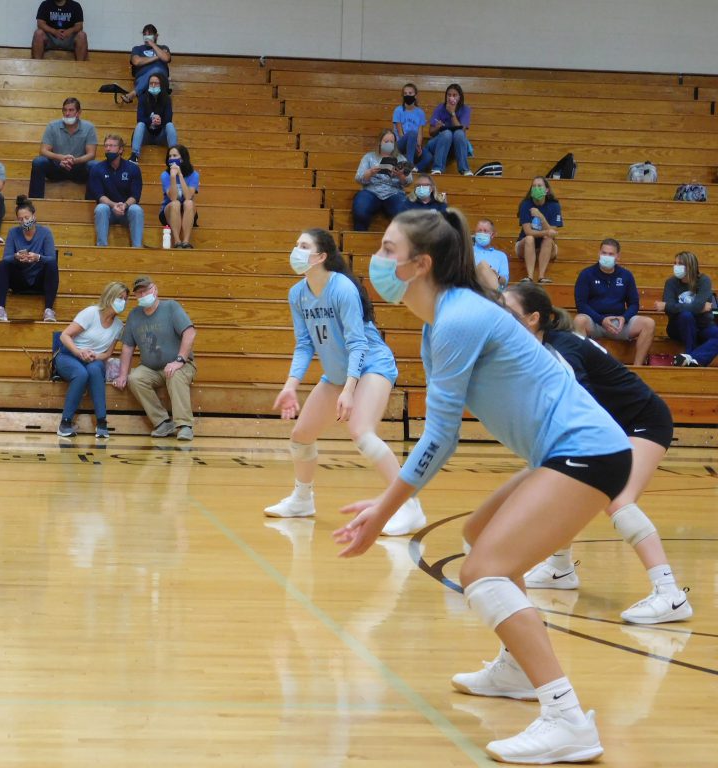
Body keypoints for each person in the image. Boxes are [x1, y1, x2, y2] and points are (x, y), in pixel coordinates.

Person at [335, 207, 632, 764]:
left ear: (420, 265)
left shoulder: (459, 319)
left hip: (587, 451)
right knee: (478, 536)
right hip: (566, 452)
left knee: (482, 570)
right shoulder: (441, 323)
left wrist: (383, 511)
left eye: (387, 250)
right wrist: (385, 502)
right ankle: (518, 670)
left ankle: (567, 719)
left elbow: (440, 438)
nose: (377, 259)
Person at [504, 282, 692, 625]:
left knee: (618, 499)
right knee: (568, 489)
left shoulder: (559, 349)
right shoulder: (542, 347)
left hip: (643, 422)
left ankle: (670, 595)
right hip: (613, 426)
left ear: (532, 319)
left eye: (508, 311)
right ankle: (560, 569)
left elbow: (583, 403)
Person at [264, 229, 426, 536]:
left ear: (321, 256)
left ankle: (410, 506)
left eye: (303, 246)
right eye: (295, 244)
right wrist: (290, 385)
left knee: (360, 432)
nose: (296, 250)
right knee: (301, 436)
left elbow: (357, 344)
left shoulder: (342, 288)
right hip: (339, 373)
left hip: (371, 365)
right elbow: (303, 344)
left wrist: (349, 391)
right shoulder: (297, 293)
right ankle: (302, 500)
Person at [113, 275, 196, 440]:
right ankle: (162, 423)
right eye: (139, 293)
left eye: (146, 291)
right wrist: (123, 375)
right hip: (151, 368)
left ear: (155, 290)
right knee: (134, 378)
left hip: (180, 365)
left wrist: (179, 360)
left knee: (175, 374)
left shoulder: (171, 307)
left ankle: (185, 425)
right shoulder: (134, 315)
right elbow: (128, 346)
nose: (143, 295)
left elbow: (190, 332)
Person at [56, 281, 129, 440]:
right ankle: (65, 423)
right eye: (119, 297)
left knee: (95, 369)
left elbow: (107, 354)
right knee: (81, 374)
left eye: (125, 299)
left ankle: (102, 422)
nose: (122, 302)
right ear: (110, 297)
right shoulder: (91, 313)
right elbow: (64, 336)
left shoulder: (118, 326)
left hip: (93, 359)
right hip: (69, 355)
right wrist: (79, 352)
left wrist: (95, 356)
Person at [573, 238, 655, 366]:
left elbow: (634, 304)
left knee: (649, 323)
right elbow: (581, 304)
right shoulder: (586, 274)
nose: (606, 256)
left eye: (611, 254)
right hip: (595, 322)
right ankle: (583, 367)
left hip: (619, 324)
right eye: (604, 253)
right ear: (599, 253)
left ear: (618, 256)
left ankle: (638, 368)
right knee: (579, 320)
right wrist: (601, 320)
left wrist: (624, 318)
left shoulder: (626, 275)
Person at [0, 196, 59, 322]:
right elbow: (6, 258)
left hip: (39, 280)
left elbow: (51, 259)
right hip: (20, 279)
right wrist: (16, 257)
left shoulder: (45, 233)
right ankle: (0, 308)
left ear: (34, 216)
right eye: (20, 219)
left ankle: (49, 310)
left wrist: (37, 257)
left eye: (27, 218)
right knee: (3, 264)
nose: (24, 221)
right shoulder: (13, 232)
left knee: (52, 265)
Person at [653, 250, 718, 367]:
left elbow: (668, 306)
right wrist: (698, 309)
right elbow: (670, 312)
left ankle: (691, 359)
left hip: (703, 326)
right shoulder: (671, 282)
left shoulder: (704, 280)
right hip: (679, 326)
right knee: (686, 316)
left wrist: (668, 305)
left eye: (680, 264)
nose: (676, 267)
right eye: (675, 263)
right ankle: (690, 353)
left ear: (690, 266)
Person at [29, 98, 98, 199]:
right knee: (38, 162)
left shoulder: (89, 127)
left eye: (71, 110)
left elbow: (91, 154)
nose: (67, 113)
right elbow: (43, 151)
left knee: (94, 165)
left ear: (78, 112)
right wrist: (61, 158)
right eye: (65, 110)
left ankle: (90, 204)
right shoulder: (52, 126)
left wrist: (75, 160)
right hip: (57, 167)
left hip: (78, 168)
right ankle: (34, 202)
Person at [88, 135, 144, 248]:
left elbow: (135, 195)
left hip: (126, 210)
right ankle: (102, 247)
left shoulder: (133, 169)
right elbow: (99, 196)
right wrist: (114, 205)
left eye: (112, 146)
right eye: (106, 146)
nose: (108, 148)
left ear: (121, 149)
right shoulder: (97, 169)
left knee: (136, 209)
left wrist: (124, 205)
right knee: (101, 208)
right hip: (108, 211)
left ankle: (137, 247)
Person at [351, 129, 411, 232]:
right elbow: (358, 177)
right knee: (360, 209)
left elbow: (409, 181)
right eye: (386, 141)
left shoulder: (401, 159)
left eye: (391, 142)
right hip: (371, 191)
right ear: (380, 142)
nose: (389, 144)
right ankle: (359, 238)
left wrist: (400, 175)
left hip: (394, 192)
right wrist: (370, 173)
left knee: (405, 213)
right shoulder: (369, 157)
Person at [416, 83, 472, 176]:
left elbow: (462, 131)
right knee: (447, 133)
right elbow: (431, 132)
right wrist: (437, 127)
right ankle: (437, 168)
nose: (451, 98)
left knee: (458, 133)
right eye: (449, 95)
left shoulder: (465, 109)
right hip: (438, 143)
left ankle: (464, 169)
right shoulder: (440, 108)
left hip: (455, 145)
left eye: (454, 95)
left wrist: (452, 113)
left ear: (460, 97)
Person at [515, 176, 563, 284]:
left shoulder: (554, 206)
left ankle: (541, 276)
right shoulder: (525, 204)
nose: (536, 188)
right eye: (534, 186)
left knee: (548, 239)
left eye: (539, 186)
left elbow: (553, 233)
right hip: (525, 246)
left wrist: (541, 217)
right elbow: (528, 231)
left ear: (546, 190)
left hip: (547, 247)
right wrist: (547, 232)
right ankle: (530, 277)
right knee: (529, 238)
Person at [130, 73, 177, 163]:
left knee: (170, 125)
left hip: (161, 135)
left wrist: (160, 121)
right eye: (151, 83)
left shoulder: (167, 99)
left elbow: (168, 118)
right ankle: (134, 155)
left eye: (156, 83)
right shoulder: (143, 98)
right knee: (140, 125)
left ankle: (174, 156)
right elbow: (139, 118)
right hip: (147, 134)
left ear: (162, 84)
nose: (153, 85)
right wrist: (151, 120)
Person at [121, 24, 171, 104]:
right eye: (145, 35)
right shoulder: (137, 49)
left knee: (157, 70)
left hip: (161, 80)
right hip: (142, 78)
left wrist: (153, 44)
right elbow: (136, 61)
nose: (147, 37)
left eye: (150, 34)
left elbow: (166, 58)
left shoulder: (163, 48)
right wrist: (158, 57)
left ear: (156, 36)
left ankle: (133, 93)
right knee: (155, 70)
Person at [161, 144, 199, 248]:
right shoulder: (165, 175)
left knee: (189, 203)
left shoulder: (194, 175)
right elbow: (173, 198)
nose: (171, 158)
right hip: (169, 210)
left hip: (187, 210)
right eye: (170, 156)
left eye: (174, 156)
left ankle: (186, 241)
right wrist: (173, 177)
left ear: (182, 159)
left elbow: (188, 196)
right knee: (176, 203)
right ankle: (177, 241)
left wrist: (180, 175)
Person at [392, 82, 427, 166]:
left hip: (413, 145)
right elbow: (400, 134)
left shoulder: (420, 112)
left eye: (410, 93)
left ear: (415, 95)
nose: (407, 95)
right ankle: (409, 165)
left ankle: (414, 169)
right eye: (405, 93)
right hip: (400, 145)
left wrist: (418, 146)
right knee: (411, 134)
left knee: (428, 156)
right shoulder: (398, 110)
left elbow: (420, 133)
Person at [472, 218, 509, 293]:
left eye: (485, 231)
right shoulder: (468, 250)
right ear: (475, 233)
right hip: (472, 290)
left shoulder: (501, 256)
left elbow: (504, 282)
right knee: (483, 265)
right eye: (479, 231)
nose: (482, 233)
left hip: (493, 292)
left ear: (492, 235)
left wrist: (496, 276)